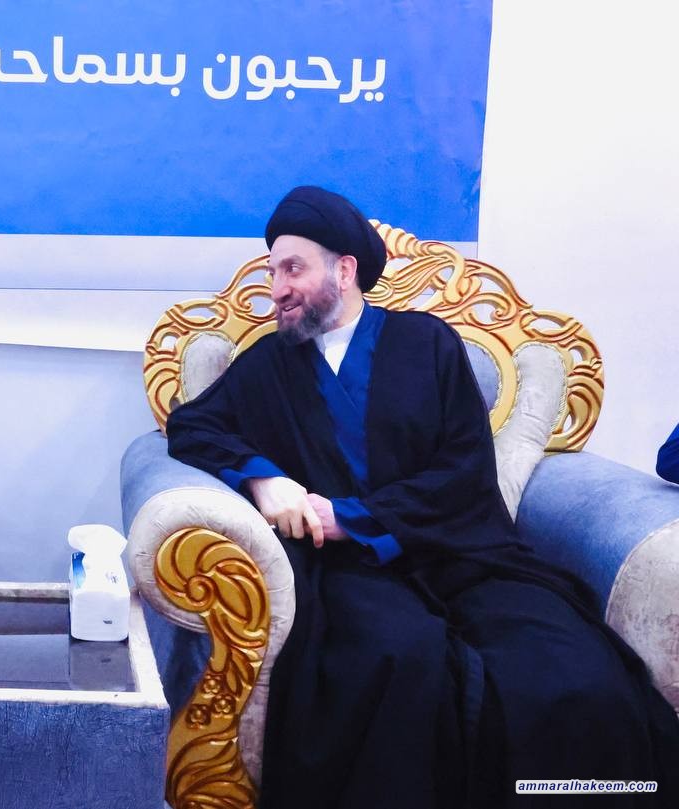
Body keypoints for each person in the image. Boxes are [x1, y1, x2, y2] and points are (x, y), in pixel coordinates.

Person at [167, 186, 679, 809]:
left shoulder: (427, 343)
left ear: (344, 270)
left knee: (573, 675)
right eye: (273, 272)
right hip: (348, 573)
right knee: (395, 667)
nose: (277, 288)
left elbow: (463, 471)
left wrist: (351, 517)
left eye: (292, 268)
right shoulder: (269, 364)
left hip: (460, 552)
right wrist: (262, 477)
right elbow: (192, 426)